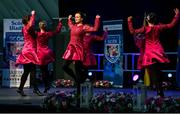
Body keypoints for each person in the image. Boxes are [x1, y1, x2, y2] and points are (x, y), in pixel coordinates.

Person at [127, 8, 180, 97]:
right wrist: (177, 15)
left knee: (154, 73)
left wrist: (129, 21)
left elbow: (132, 31)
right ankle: (160, 92)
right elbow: (171, 25)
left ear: (147, 20)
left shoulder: (145, 28)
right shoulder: (159, 27)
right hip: (158, 52)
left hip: (150, 53)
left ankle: (159, 92)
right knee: (158, 72)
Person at [62, 11, 100, 106]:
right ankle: (76, 79)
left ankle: (79, 93)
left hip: (78, 50)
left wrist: (97, 19)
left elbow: (95, 28)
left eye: (78, 17)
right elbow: (70, 23)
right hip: (71, 49)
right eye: (75, 17)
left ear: (82, 18)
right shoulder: (73, 26)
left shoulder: (84, 27)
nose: (76, 18)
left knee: (78, 72)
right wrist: (69, 18)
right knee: (64, 66)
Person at [16, 10, 42, 96]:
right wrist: (33, 14)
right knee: (33, 70)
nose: (32, 21)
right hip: (30, 51)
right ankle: (35, 89)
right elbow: (31, 24)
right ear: (28, 20)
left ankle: (20, 89)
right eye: (30, 19)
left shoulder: (24, 28)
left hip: (26, 50)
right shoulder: (28, 26)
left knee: (26, 71)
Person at [35, 19, 62, 93]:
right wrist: (60, 23)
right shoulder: (48, 34)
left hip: (40, 53)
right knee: (45, 70)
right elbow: (57, 31)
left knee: (42, 70)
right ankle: (47, 84)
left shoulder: (37, 34)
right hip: (46, 52)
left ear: (39, 27)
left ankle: (46, 85)